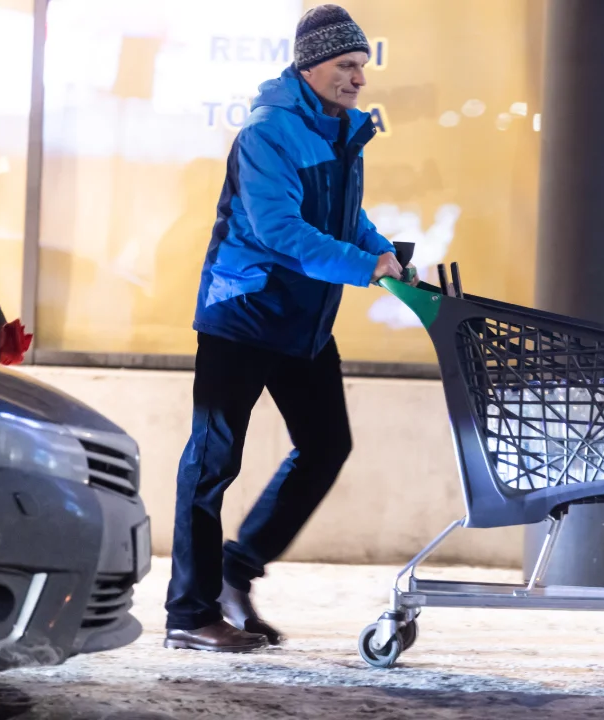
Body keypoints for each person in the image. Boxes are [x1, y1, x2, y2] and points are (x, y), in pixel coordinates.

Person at [164, 5, 413, 653]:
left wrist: (385, 255)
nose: (359, 78)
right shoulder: (267, 133)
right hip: (243, 314)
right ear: (311, 66)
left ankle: (236, 570)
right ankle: (189, 614)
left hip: (303, 322)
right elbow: (279, 230)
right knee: (212, 464)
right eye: (347, 65)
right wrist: (362, 265)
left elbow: (346, 218)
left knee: (326, 445)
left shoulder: (341, 129)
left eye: (362, 66)